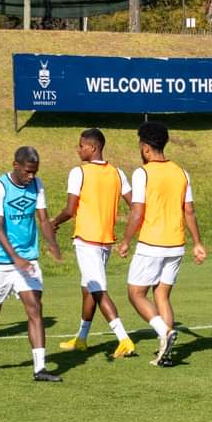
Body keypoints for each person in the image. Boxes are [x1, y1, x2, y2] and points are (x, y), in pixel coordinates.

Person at [0, 146, 63, 381]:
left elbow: (42, 218)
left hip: (28, 259)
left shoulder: (37, 185)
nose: (31, 176)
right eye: (28, 172)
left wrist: (52, 243)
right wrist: (15, 258)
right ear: (16, 165)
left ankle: (39, 368)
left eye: (35, 172)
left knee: (35, 308)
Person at [117, 122, 207, 366]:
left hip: (151, 243)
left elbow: (137, 212)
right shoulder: (181, 173)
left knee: (135, 293)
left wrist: (125, 240)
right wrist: (197, 242)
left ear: (145, 147)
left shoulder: (142, 173)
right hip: (176, 244)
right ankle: (165, 351)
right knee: (162, 295)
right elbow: (189, 210)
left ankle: (164, 332)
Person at [50, 128, 136, 358]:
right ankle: (81, 338)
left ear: (93, 147)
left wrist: (54, 222)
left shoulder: (79, 172)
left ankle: (123, 339)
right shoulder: (117, 173)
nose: (78, 149)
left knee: (97, 290)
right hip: (105, 240)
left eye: (81, 146)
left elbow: (70, 209)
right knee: (87, 288)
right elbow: (136, 203)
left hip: (87, 239)